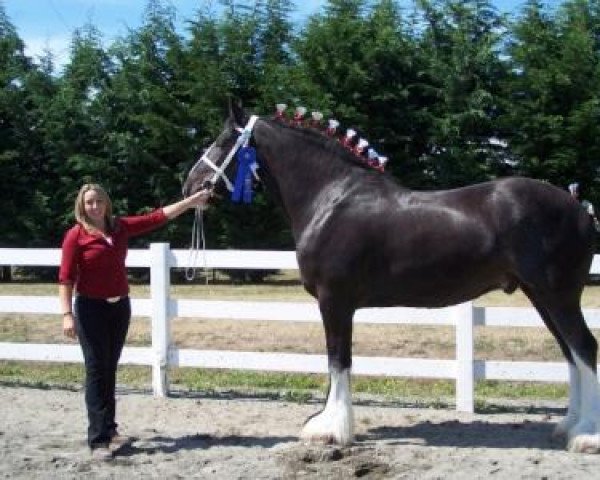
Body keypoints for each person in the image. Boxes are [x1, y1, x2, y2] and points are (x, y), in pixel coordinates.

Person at [58, 183, 210, 461]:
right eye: (89, 202)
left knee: (110, 368)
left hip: (120, 308)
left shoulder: (120, 228)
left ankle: (111, 429)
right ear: (82, 206)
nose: (94, 207)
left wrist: (190, 202)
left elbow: (157, 217)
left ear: (106, 203)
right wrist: (67, 314)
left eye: (98, 201)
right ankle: (98, 440)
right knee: (96, 371)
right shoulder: (75, 236)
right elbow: (66, 278)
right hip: (90, 309)